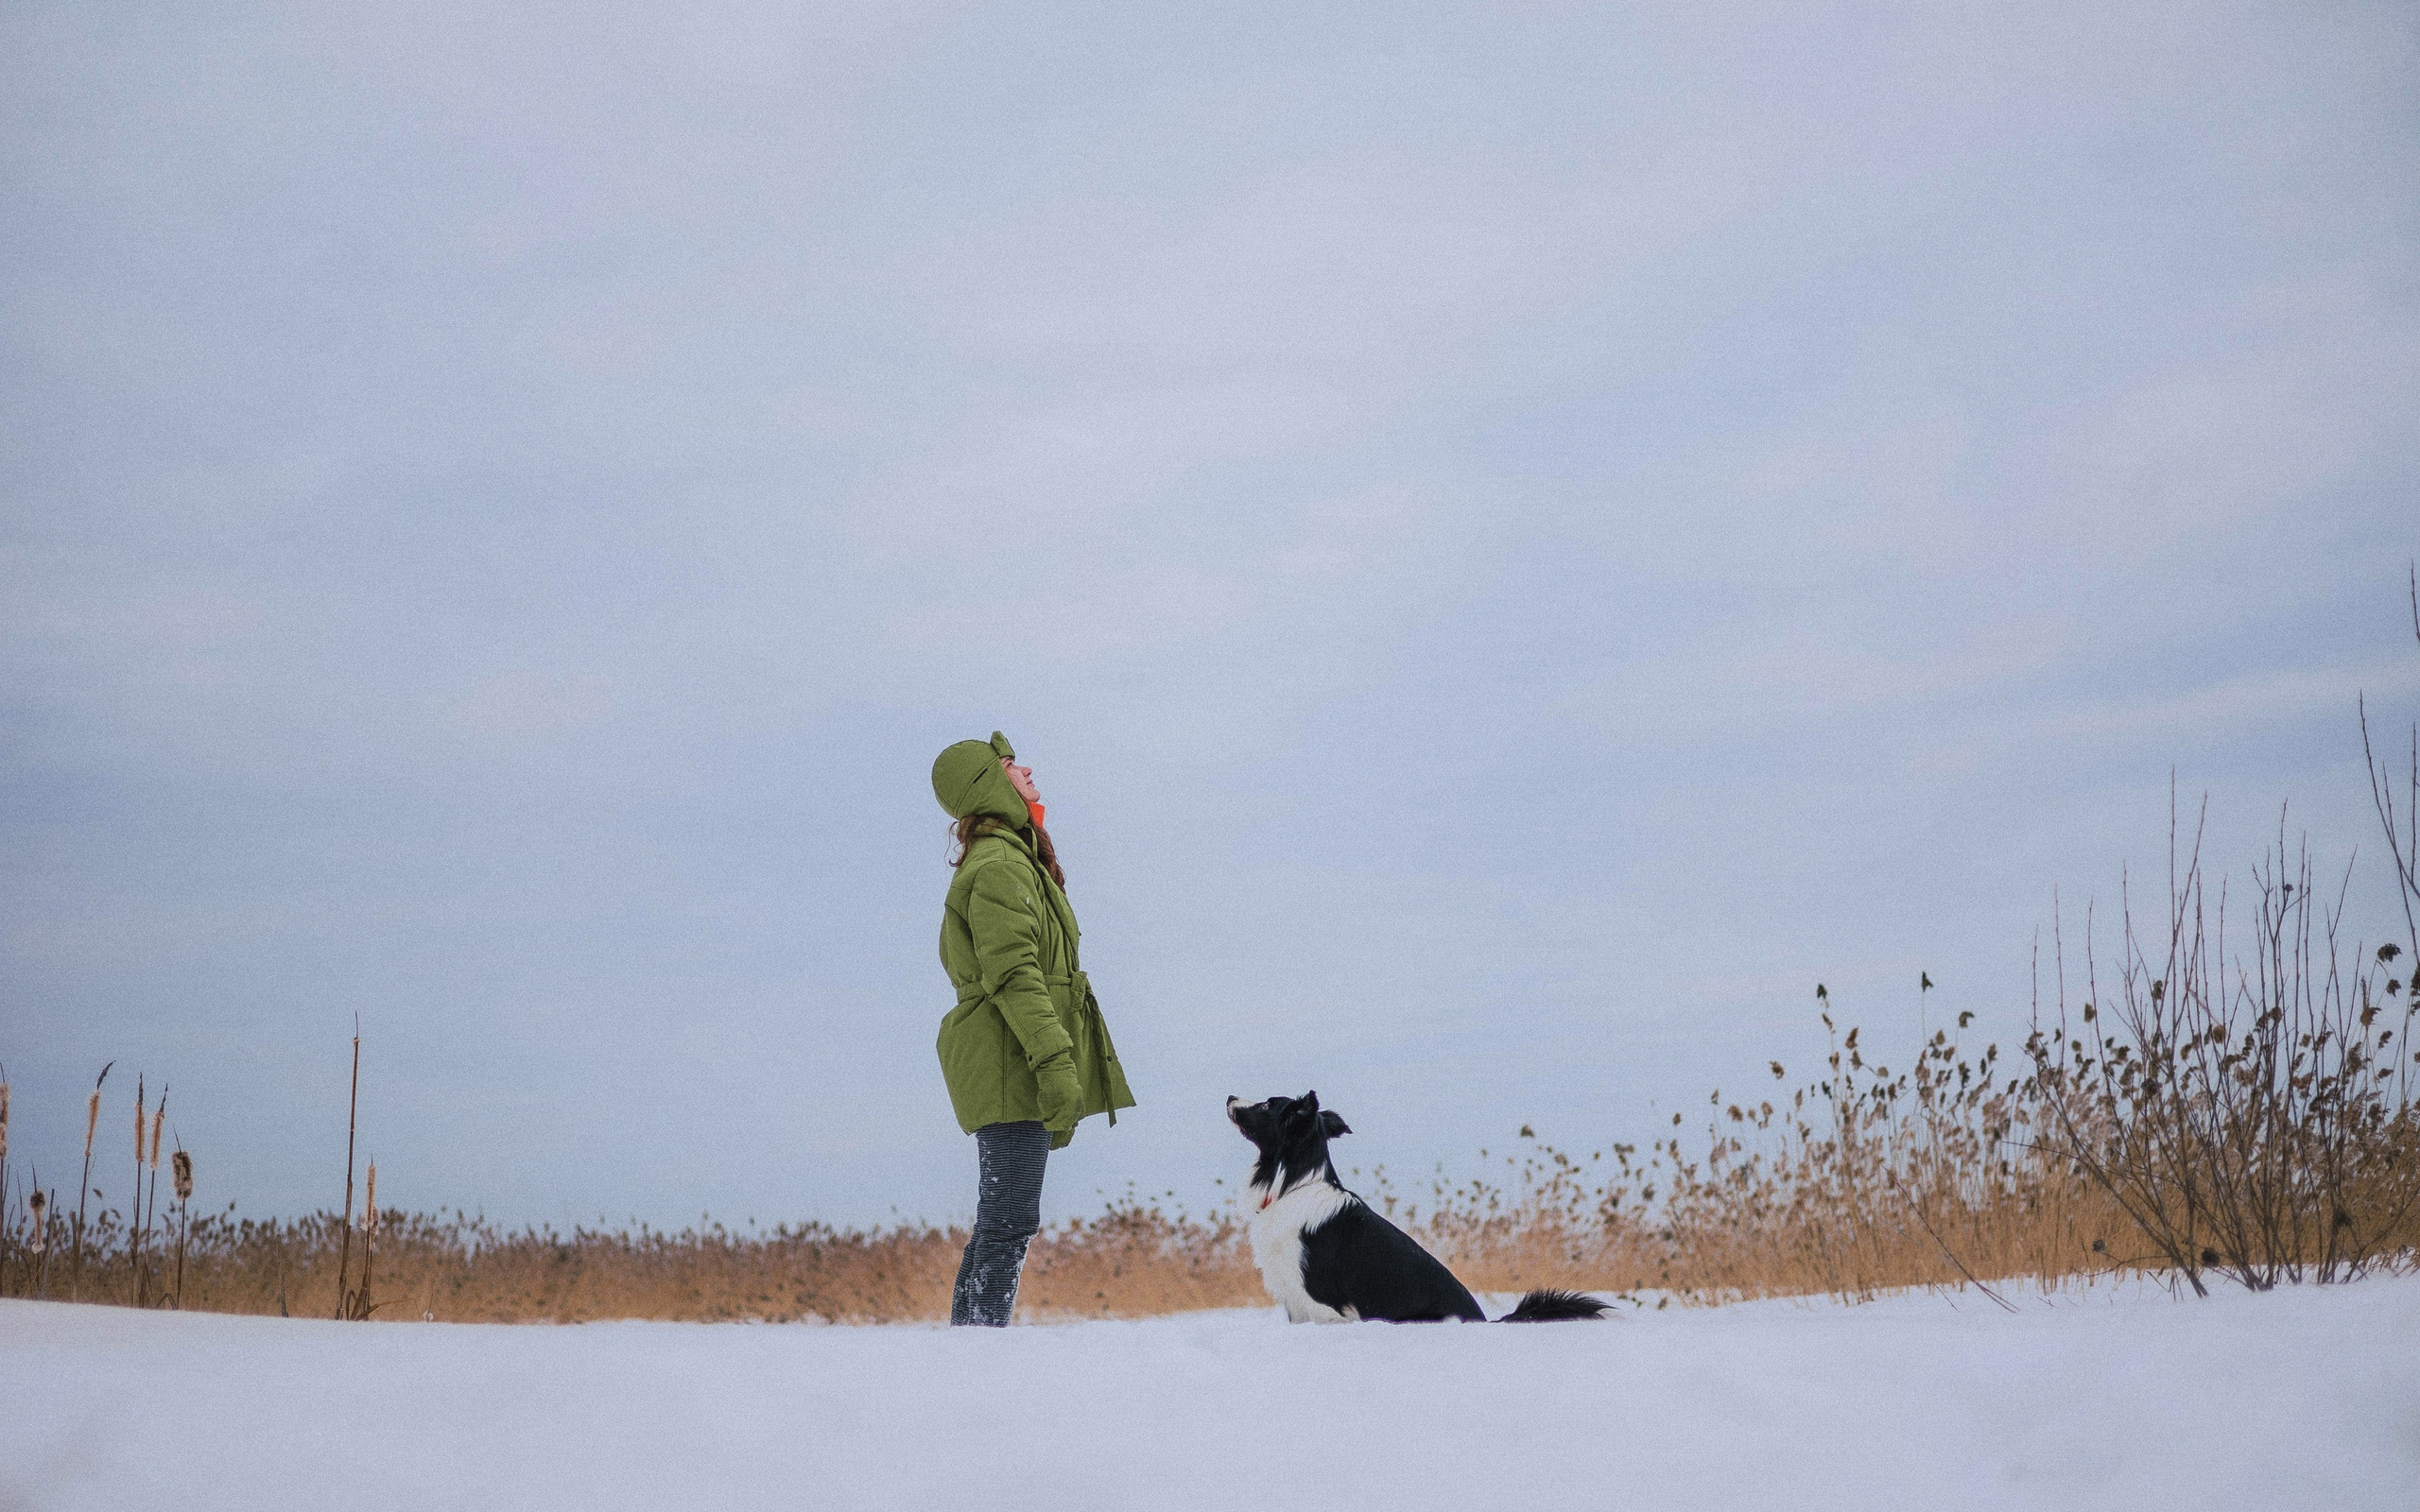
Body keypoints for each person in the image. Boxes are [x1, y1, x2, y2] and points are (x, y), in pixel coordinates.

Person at [930, 730, 1135, 1326]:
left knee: (1004, 1218)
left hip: (1009, 1056)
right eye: (1015, 769)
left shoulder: (1011, 861)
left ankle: (973, 1342)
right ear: (991, 786)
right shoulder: (999, 867)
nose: (1030, 774)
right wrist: (1054, 1064)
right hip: (1008, 1060)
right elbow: (1018, 977)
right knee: (1008, 1220)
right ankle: (980, 1349)